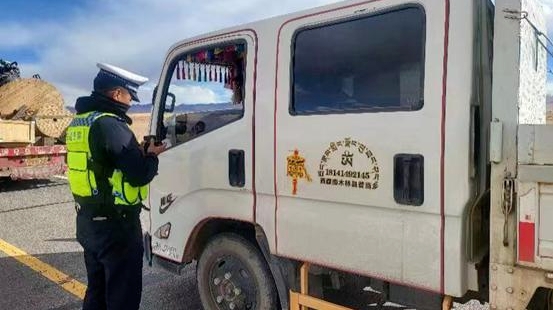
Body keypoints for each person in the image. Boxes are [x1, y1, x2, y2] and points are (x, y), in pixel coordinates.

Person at [65, 63, 165, 310]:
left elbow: (99, 163)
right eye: (130, 95)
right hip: (116, 226)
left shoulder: (80, 123)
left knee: (97, 291)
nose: (131, 101)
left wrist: (135, 153)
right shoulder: (111, 125)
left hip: (88, 221)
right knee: (123, 295)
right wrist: (150, 155)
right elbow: (139, 175)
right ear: (117, 94)